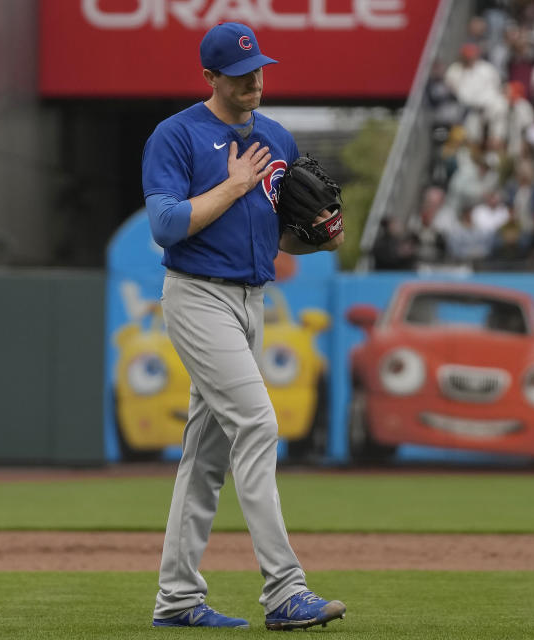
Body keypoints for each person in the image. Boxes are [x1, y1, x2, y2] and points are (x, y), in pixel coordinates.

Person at [141, 22, 346, 629]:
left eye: (258, 68)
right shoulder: (175, 135)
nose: (254, 78)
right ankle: (285, 590)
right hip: (199, 296)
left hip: (253, 299)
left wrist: (322, 241)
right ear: (210, 77)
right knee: (257, 424)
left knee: (204, 459)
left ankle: (176, 599)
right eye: (239, 72)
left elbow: (279, 234)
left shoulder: (277, 135)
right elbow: (167, 224)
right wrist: (232, 185)